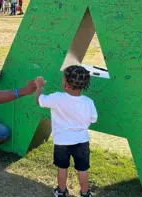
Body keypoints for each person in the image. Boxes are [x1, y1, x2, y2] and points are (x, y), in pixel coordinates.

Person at [35, 65, 98, 197]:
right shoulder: (88, 102)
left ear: (66, 83)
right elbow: (93, 119)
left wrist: (39, 87)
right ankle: (85, 193)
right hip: (82, 141)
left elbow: (39, 101)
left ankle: (62, 191)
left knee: (62, 167)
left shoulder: (56, 98)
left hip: (62, 142)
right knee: (83, 169)